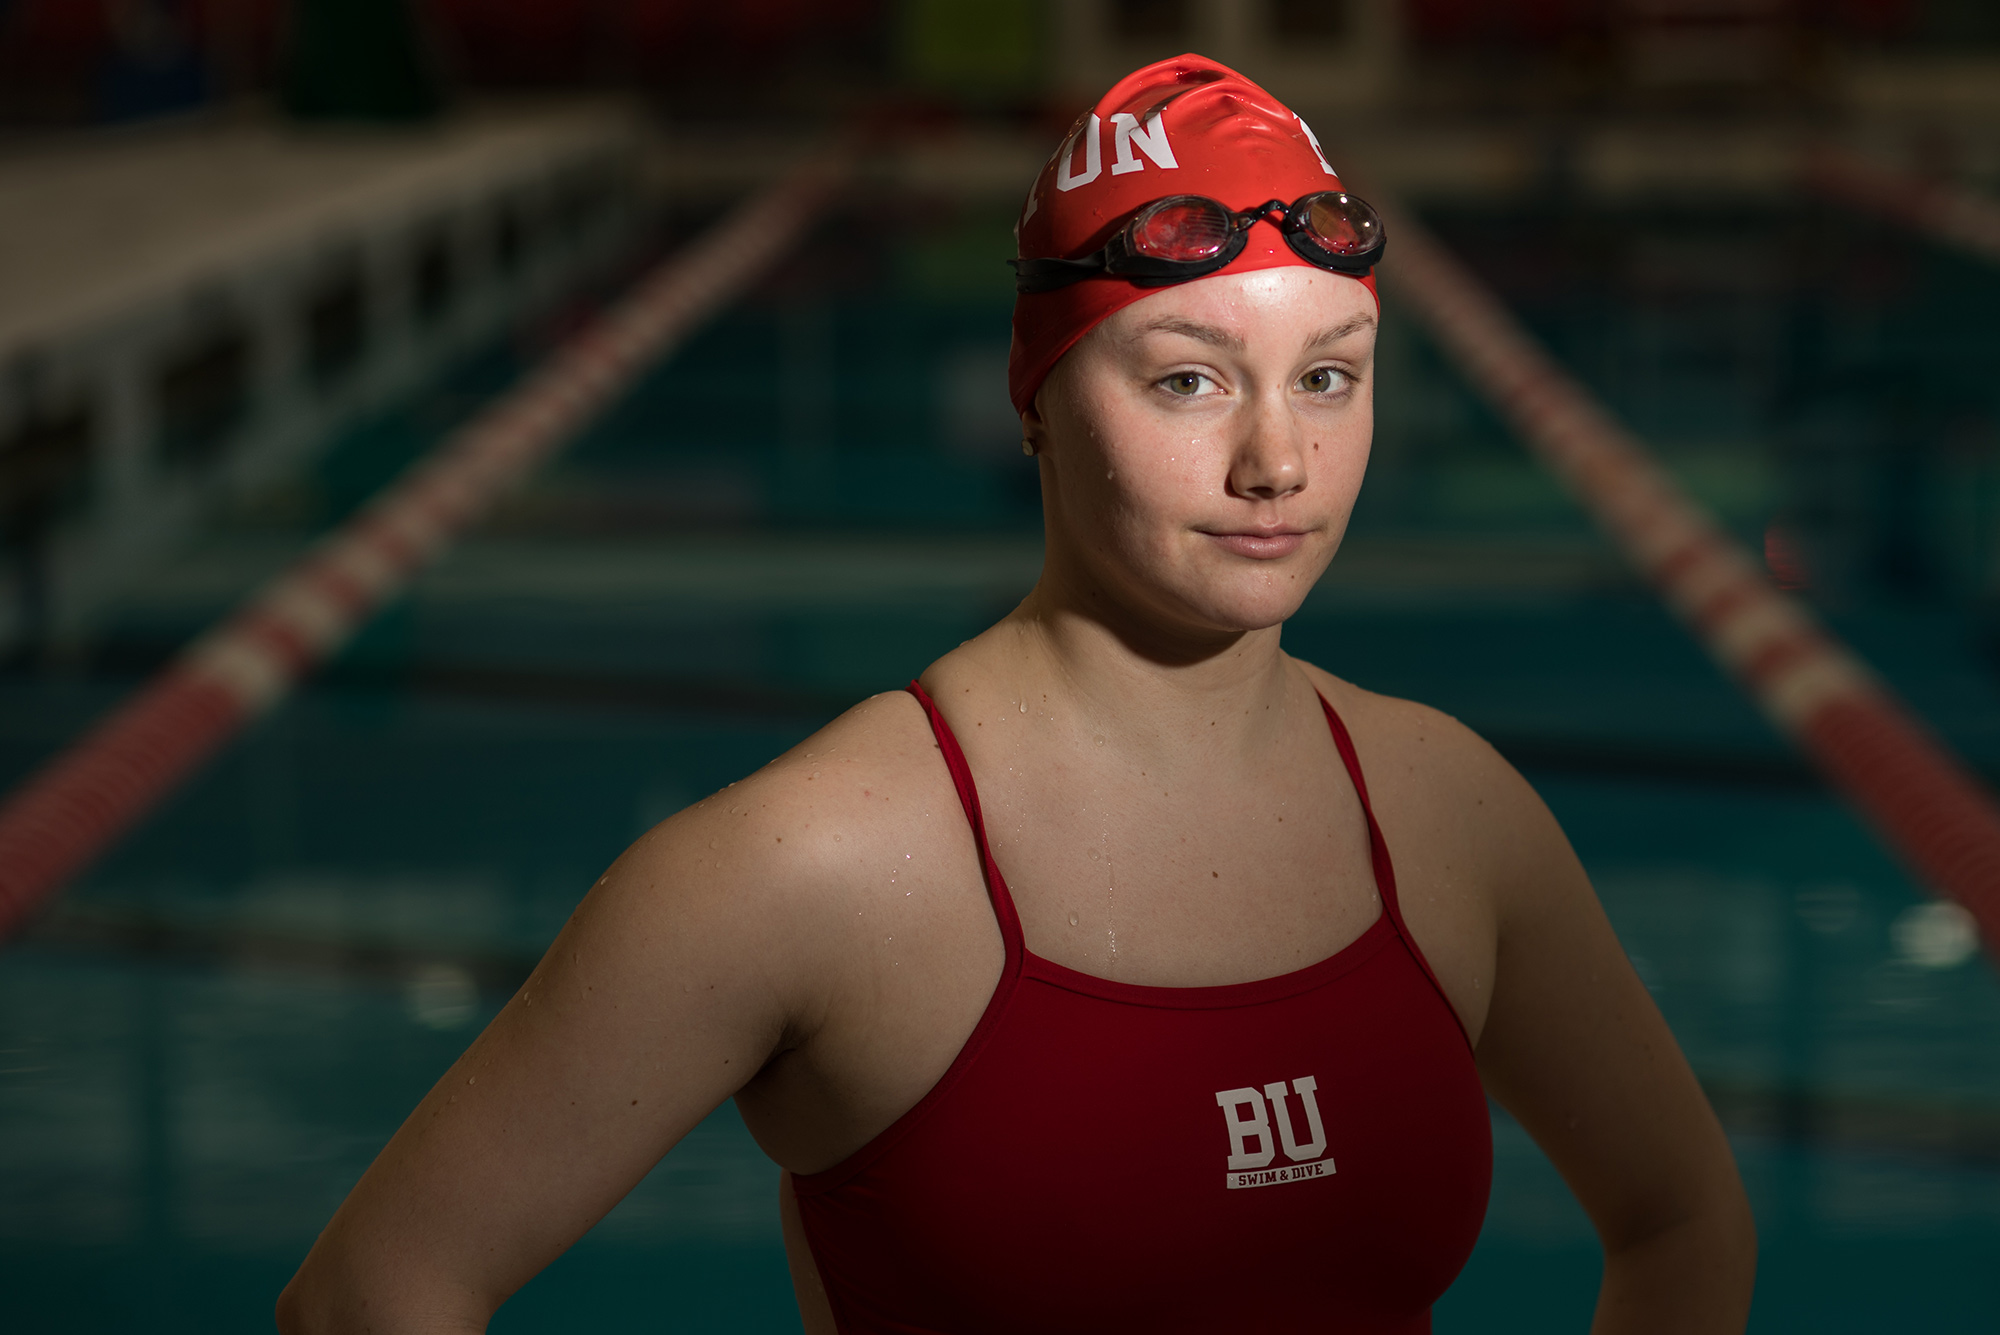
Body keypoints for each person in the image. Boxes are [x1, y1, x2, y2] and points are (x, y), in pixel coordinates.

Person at [277, 55, 1755, 1334]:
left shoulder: (1451, 813)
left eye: (1329, 375)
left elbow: (1684, 1220)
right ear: (1037, 395)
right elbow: (372, 1296)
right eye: (1188, 379)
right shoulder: (811, 868)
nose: (1276, 464)